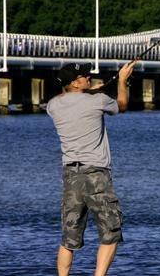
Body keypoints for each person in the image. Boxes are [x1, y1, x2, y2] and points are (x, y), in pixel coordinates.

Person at [47, 61, 135, 276]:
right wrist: (123, 81)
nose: (89, 78)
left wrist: (87, 92)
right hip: (96, 174)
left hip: (70, 176)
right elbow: (122, 104)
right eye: (85, 76)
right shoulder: (97, 101)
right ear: (75, 83)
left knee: (69, 236)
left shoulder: (53, 106)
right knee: (110, 231)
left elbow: (66, 99)